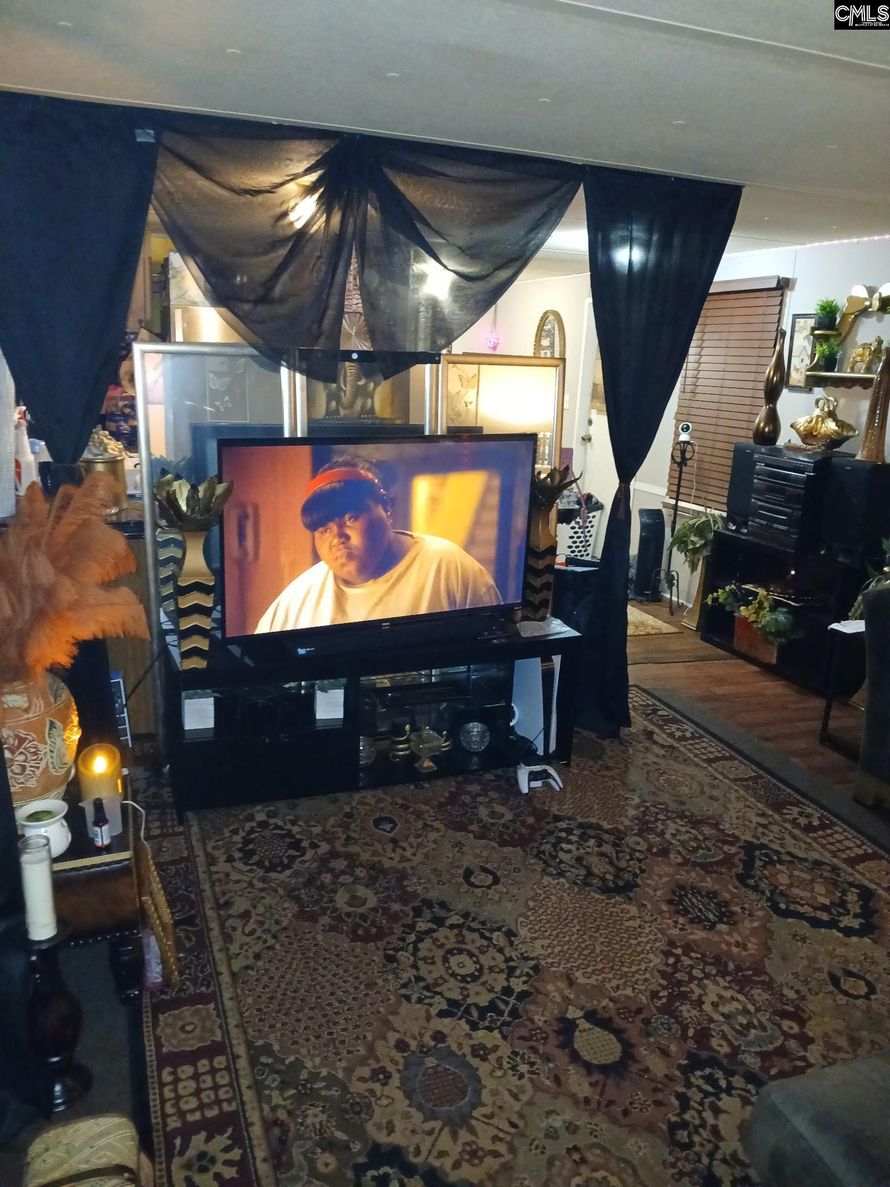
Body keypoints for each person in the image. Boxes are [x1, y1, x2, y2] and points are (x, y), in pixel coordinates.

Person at [255, 456, 501, 632]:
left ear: (386, 509)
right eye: (324, 530)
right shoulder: (297, 600)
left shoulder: (448, 567)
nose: (337, 537)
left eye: (350, 518)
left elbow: (496, 654)